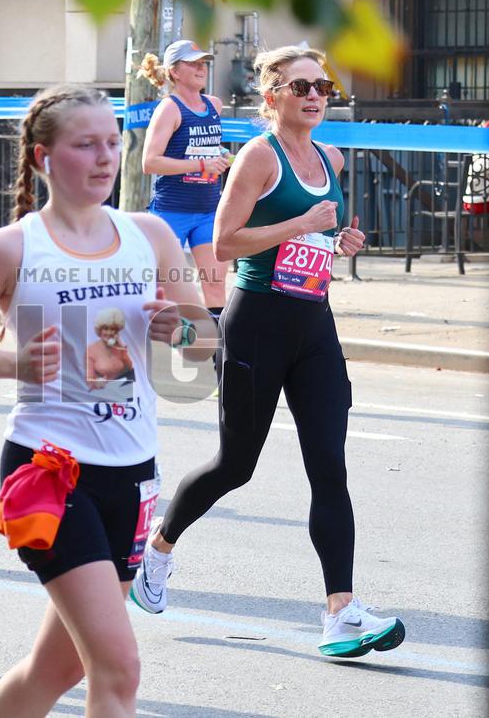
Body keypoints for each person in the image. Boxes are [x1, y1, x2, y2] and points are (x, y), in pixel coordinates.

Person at [0, 84, 216, 717]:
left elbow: (205, 343)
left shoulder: (152, 236)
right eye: (86, 145)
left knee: (57, 668)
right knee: (119, 666)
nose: (106, 157)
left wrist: (182, 330)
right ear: (43, 158)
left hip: (132, 473)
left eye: (113, 142)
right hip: (51, 471)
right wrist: (15, 363)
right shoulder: (11, 248)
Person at [131, 45, 407, 660]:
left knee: (328, 466)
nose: (315, 95)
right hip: (255, 326)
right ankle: (158, 548)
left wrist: (341, 241)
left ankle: (341, 613)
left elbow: (320, 235)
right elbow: (226, 243)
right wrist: (302, 225)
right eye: (301, 85)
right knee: (236, 465)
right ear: (272, 95)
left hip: (314, 328)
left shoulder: (329, 156)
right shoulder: (259, 156)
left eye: (323, 85)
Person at [139, 39, 231, 377]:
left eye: (204, 62)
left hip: (208, 210)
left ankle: (218, 367)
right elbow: (150, 162)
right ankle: (131, 357)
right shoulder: (170, 109)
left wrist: (221, 159)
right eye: (193, 63)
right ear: (174, 72)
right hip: (171, 214)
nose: (201, 68)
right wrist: (200, 165)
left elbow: (205, 149)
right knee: (153, 288)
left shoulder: (215, 105)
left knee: (215, 283)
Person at [85, 308, 134, 390]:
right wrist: (96, 382)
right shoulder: (91, 349)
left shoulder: (119, 347)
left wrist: (121, 347)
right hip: (103, 392)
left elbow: (129, 368)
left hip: (124, 390)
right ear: (99, 330)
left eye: (113, 329)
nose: (109, 333)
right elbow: (88, 379)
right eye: (105, 329)